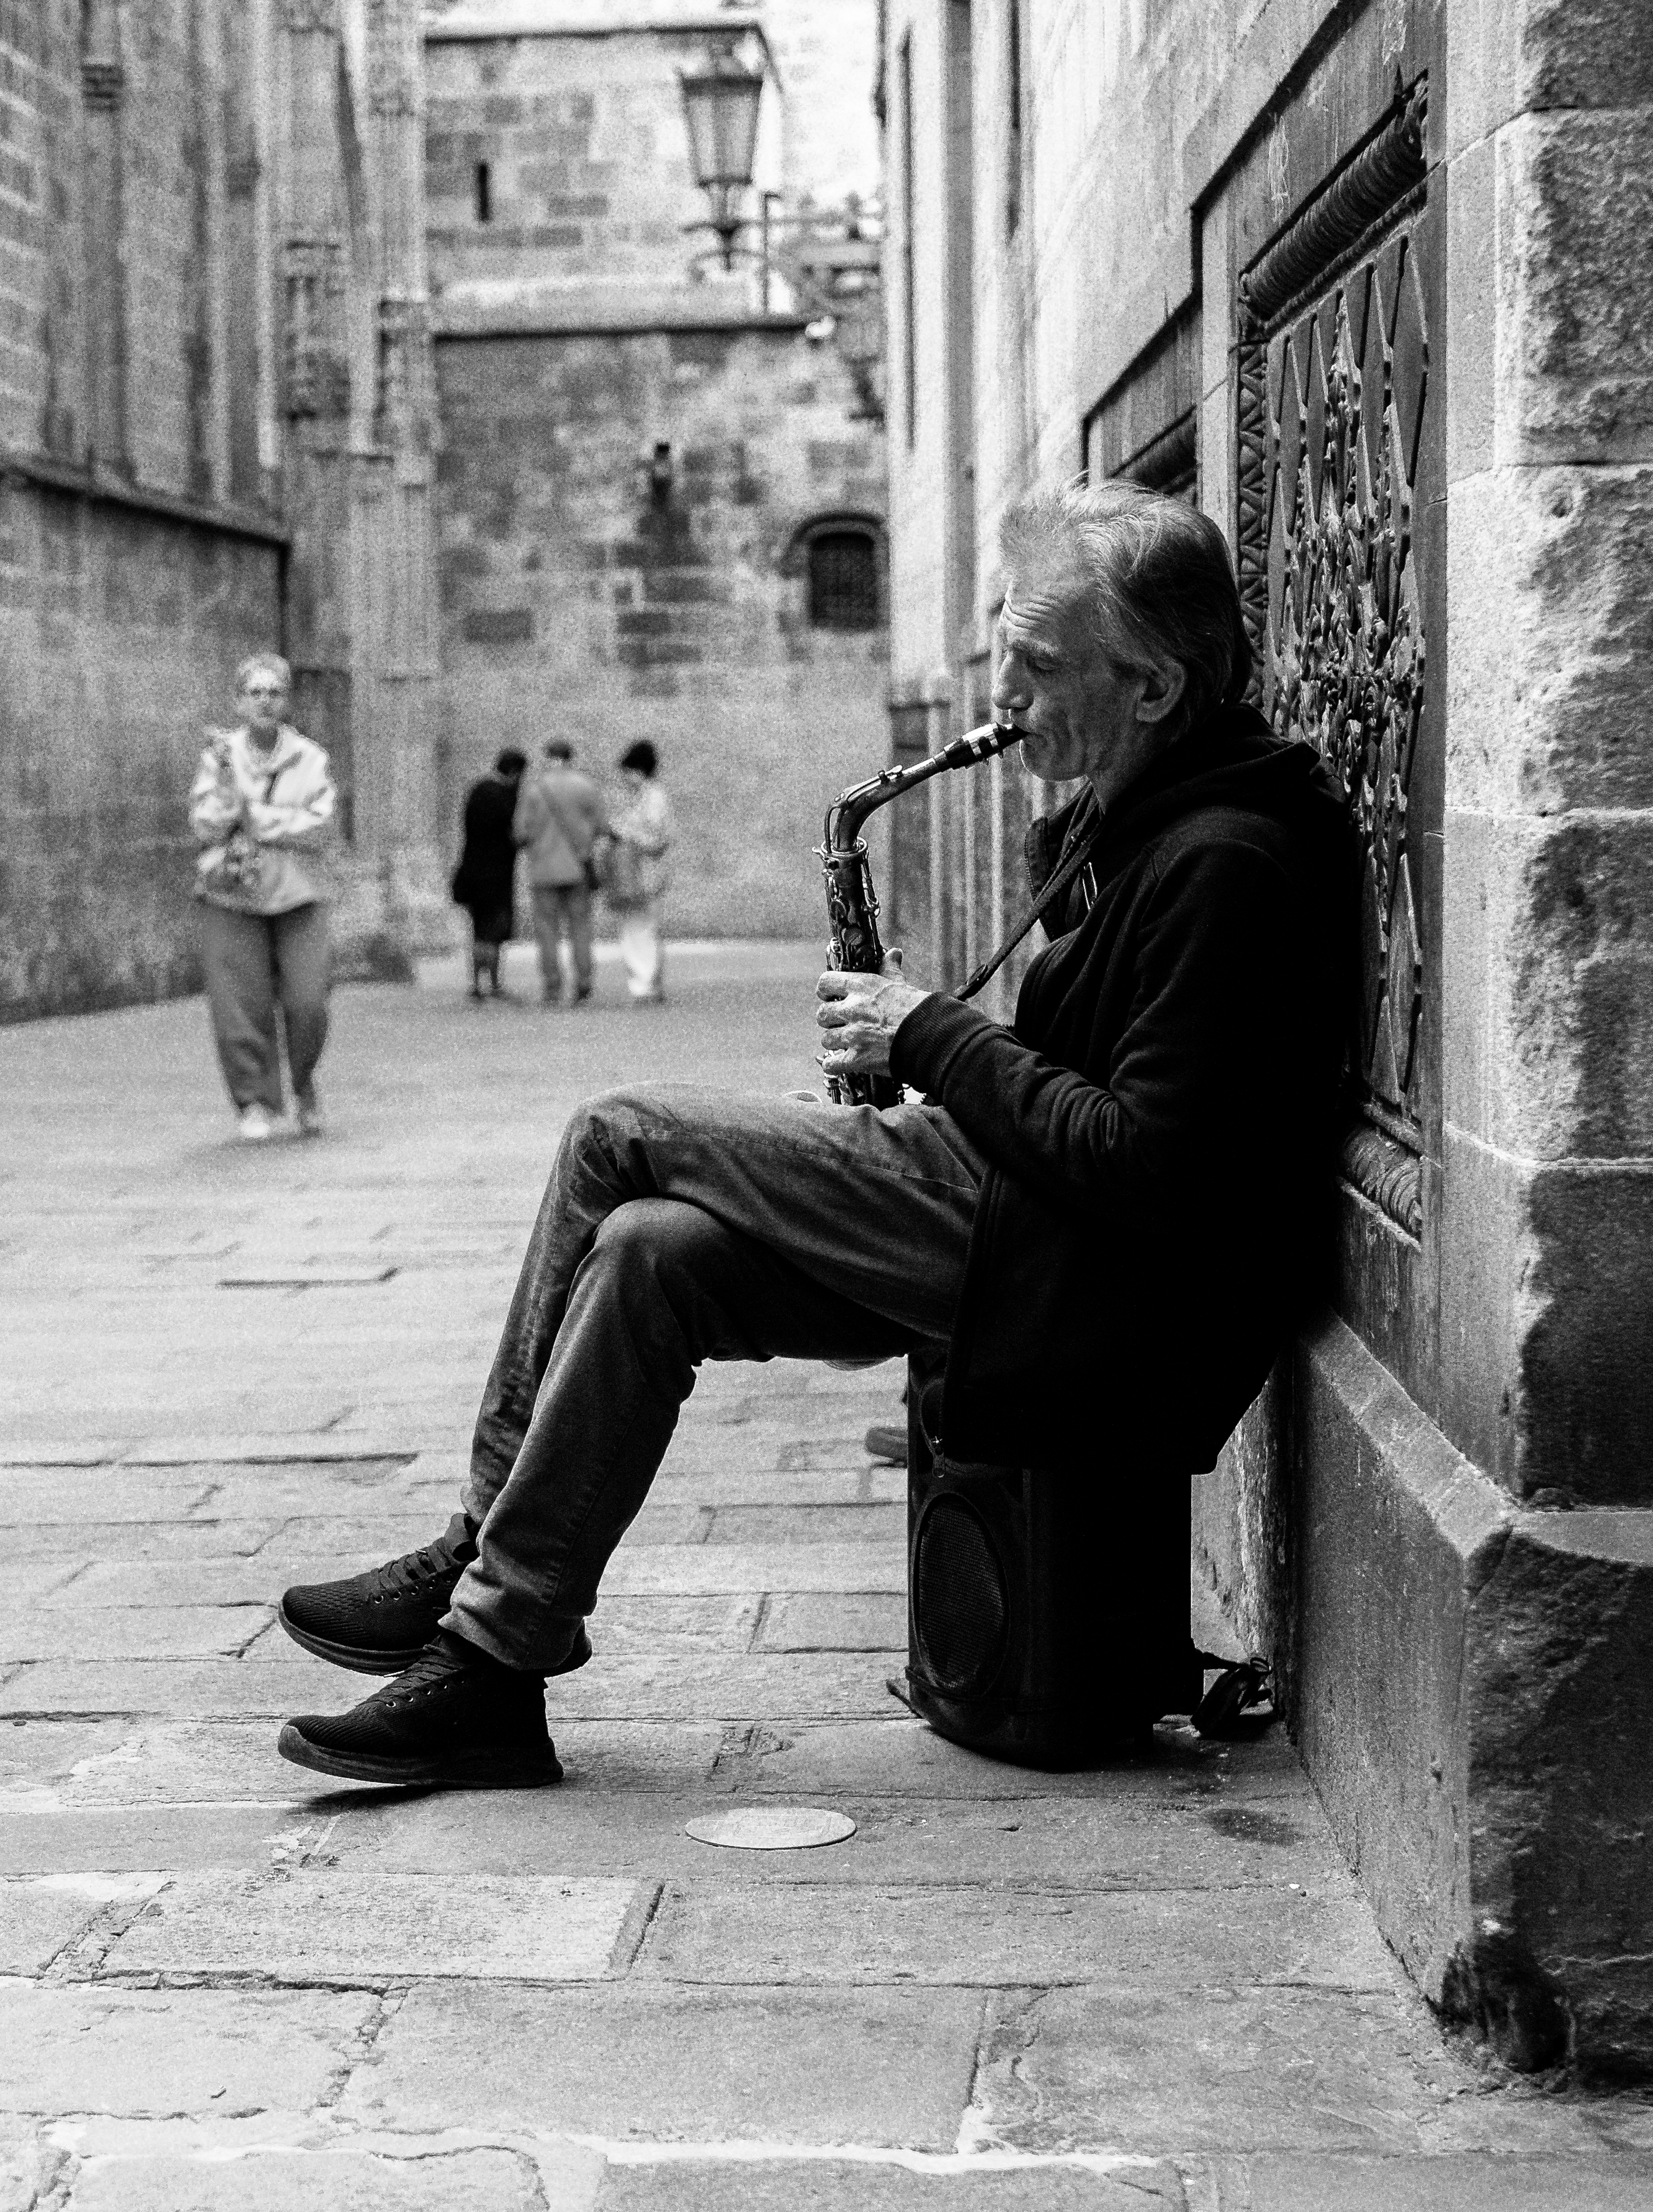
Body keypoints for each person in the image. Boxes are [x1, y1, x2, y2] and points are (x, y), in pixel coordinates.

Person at [267, 482, 1359, 1787]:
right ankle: (496, 1664)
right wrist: (914, 1098)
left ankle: (469, 1541)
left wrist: (928, 1039)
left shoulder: (1224, 858)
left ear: (1154, 691)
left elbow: (1145, 1165)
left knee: (613, 1132)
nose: (1000, 688)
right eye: (1002, 646)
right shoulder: (1133, 818)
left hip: (1092, 1285)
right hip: (1023, 1225)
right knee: (649, 1249)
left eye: (1037, 662)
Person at [190, 653, 340, 1143]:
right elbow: (205, 824)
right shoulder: (219, 756)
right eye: (254, 692)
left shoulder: (310, 758)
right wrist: (235, 799)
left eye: (274, 692)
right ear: (239, 701)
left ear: (287, 701)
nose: (264, 702)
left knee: (308, 1001)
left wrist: (258, 820)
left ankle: (303, 1083)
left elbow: (321, 825)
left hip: (299, 890)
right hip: (232, 889)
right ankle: (254, 1099)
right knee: (238, 1003)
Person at [512, 738, 608, 1005]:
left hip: (543, 870)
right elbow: (602, 827)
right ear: (570, 758)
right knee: (580, 927)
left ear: (548, 758)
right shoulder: (587, 787)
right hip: (578, 868)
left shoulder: (534, 790)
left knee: (547, 930)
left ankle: (553, 986)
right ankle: (584, 981)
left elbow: (520, 833)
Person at [598, 740, 676, 1004]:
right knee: (636, 927)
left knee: (642, 927)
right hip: (633, 873)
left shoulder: (653, 797)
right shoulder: (643, 796)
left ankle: (645, 983)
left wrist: (625, 834)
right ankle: (644, 982)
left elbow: (658, 838)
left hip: (644, 872)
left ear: (638, 770)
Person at [449, 748, 528, 1002]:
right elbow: (515, 835)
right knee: (494, 930)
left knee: (477, 928)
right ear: (516, 773)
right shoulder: (506, 796)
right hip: (497, 873)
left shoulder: (477, 791)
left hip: (470, 869)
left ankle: (475, 985)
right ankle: (493, 985)